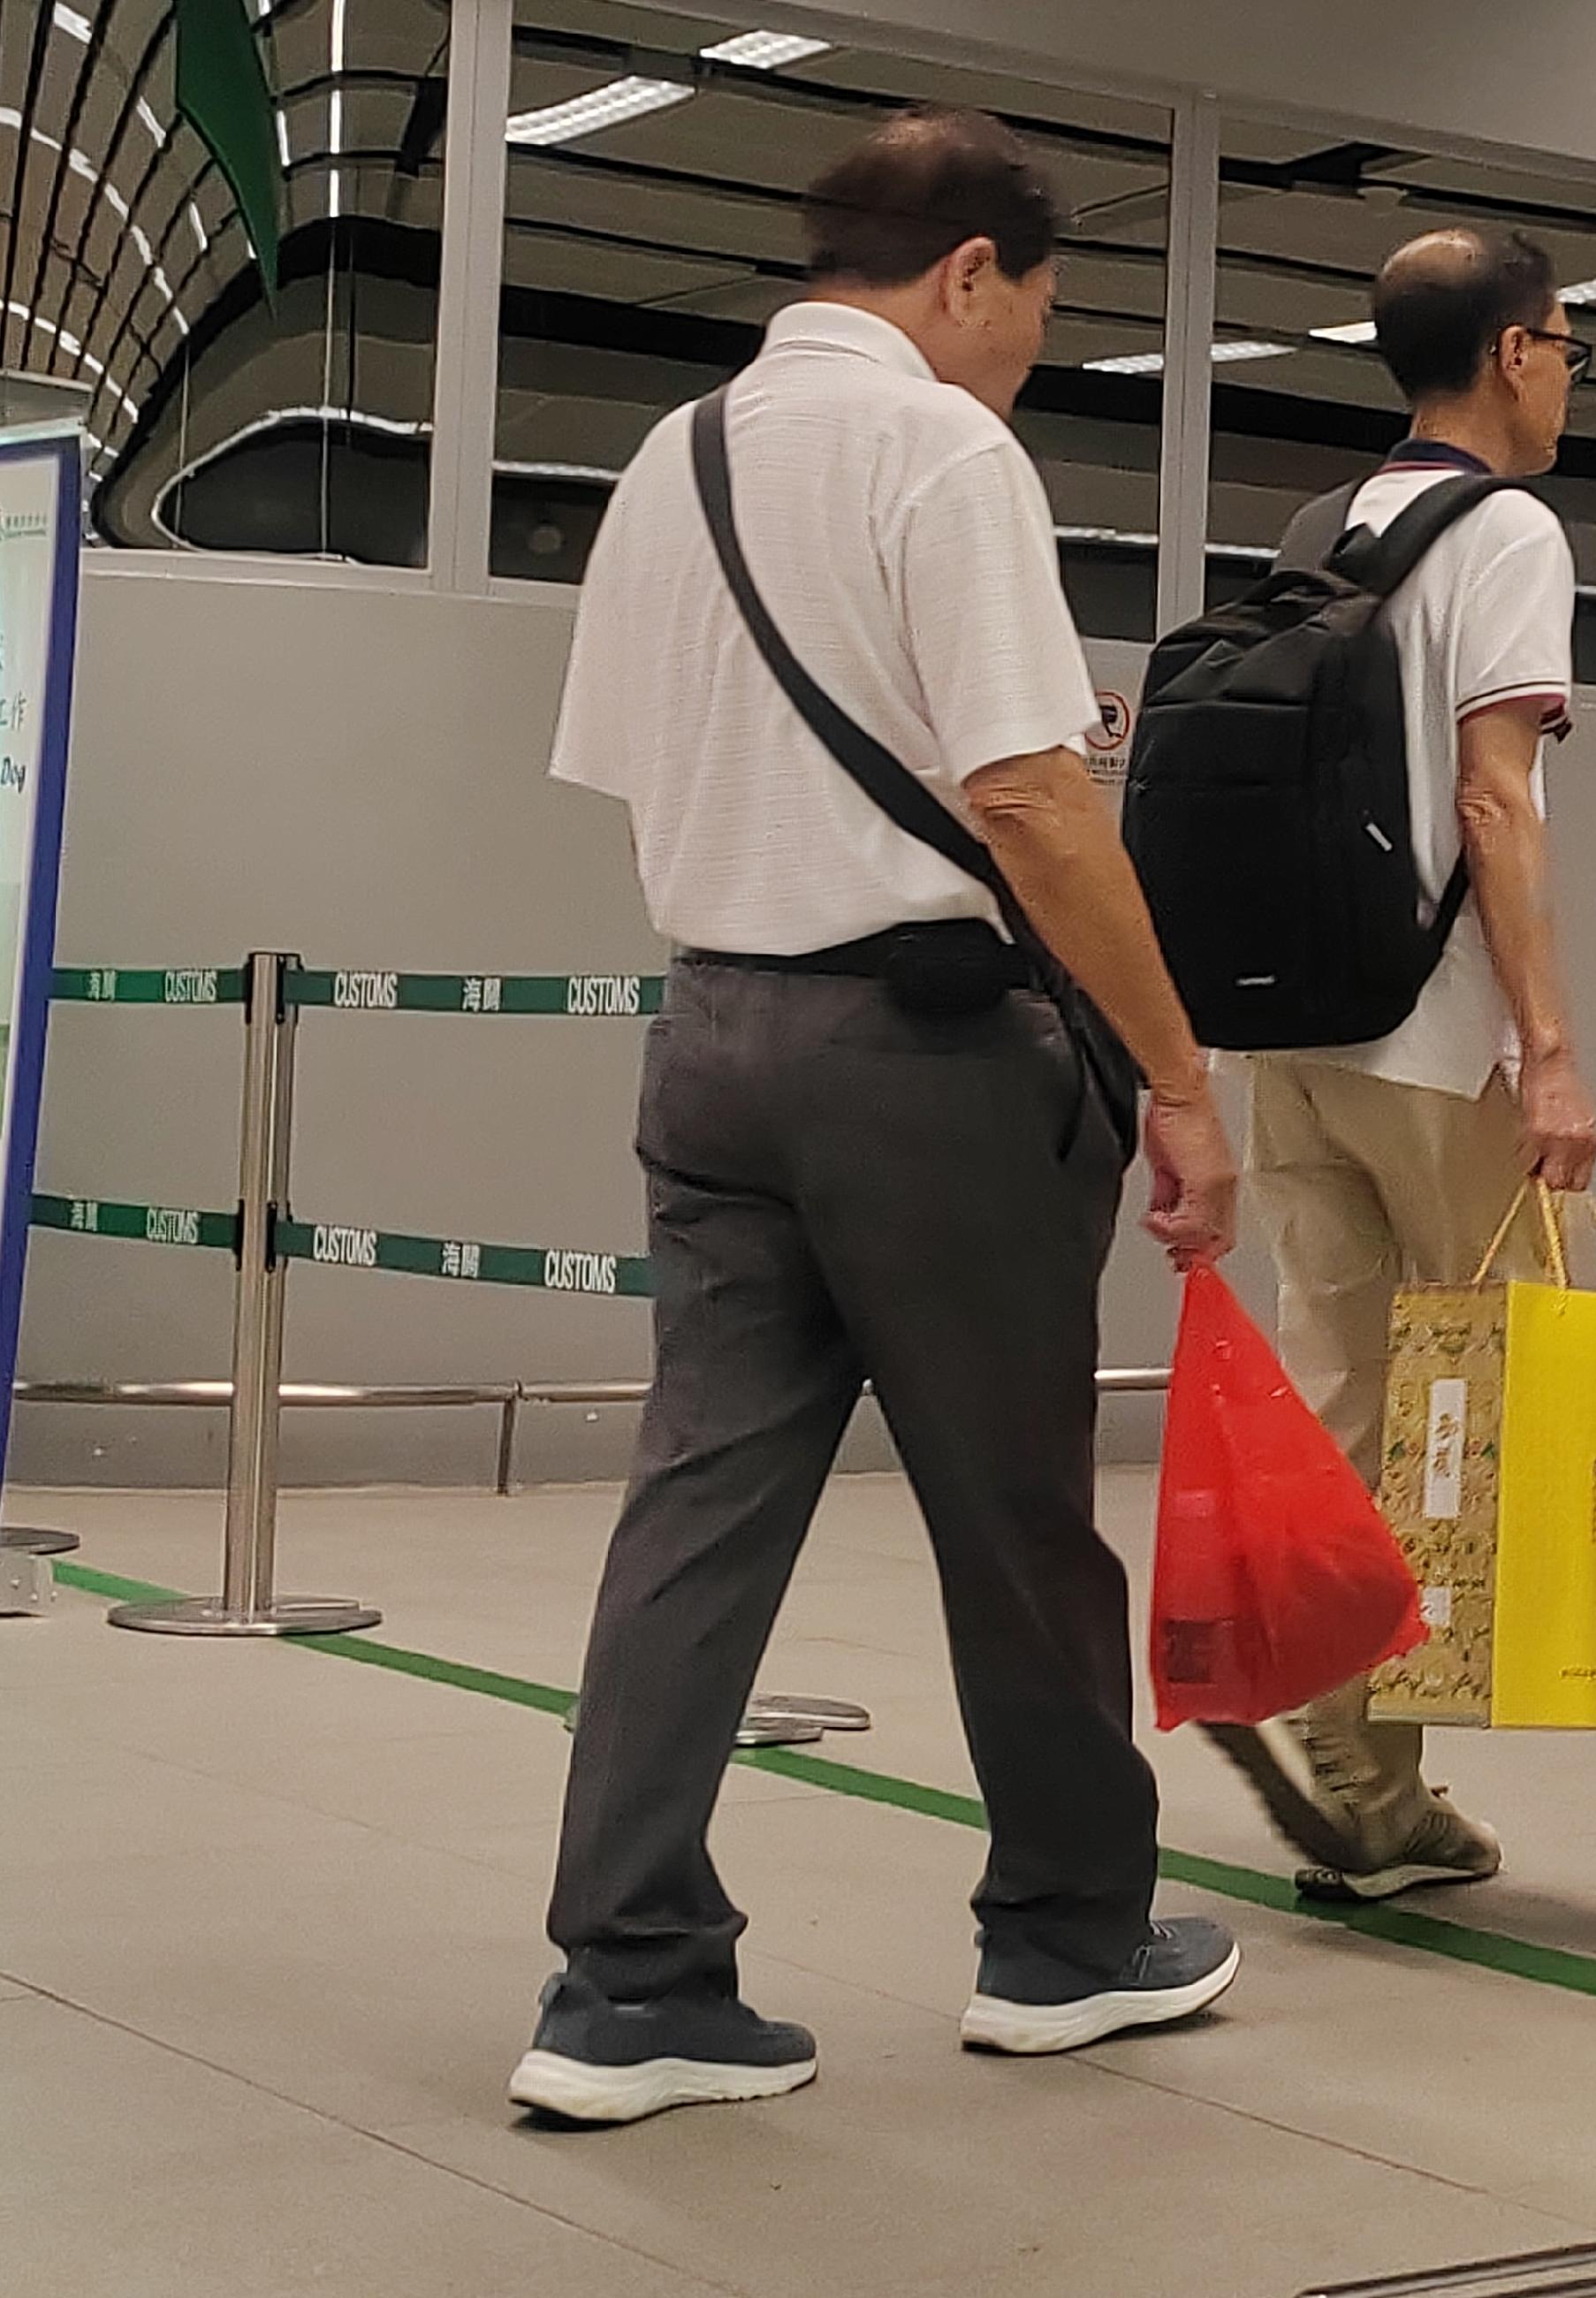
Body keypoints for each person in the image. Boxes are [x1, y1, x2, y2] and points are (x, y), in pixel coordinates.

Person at [516, 109, 1246, 2125]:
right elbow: (1025, 793)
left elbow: (646, 771)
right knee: (1015, 1511)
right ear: (966, 276)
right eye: (1033, 313)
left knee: (700, 1499)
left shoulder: (676, 455)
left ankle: (629, 1982)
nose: (1026, 353)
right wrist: (1177, 1079)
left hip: (713, 1034)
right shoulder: (943, 445)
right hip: (923, 1060)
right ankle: (1070, 1939)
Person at [1205, 226, 1596, 1904]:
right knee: (1472, 1420)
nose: (1572, 374)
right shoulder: (1507, 529)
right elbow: (1495, 802)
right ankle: (1390, 1763)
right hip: (1435, 1045)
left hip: (1287, 1027)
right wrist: (1554, 1052)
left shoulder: (1326, 527)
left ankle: (1356, 1775)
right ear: (1511, 353)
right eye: (1568, 344)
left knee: (1342, 1401)